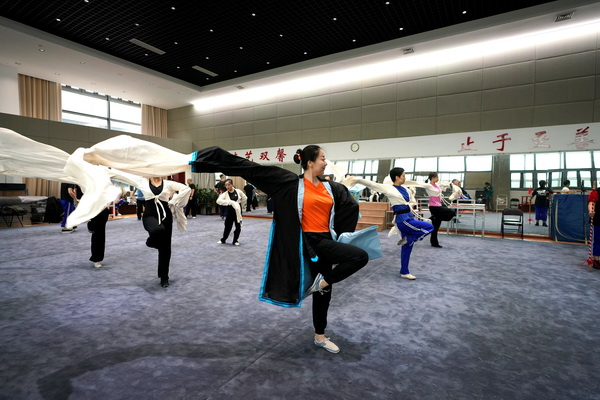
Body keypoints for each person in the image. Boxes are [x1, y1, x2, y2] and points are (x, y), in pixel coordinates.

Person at [192, 145, 369, 354]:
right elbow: (251, 169)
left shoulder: (331, 188)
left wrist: (343, 233)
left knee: (325, 293)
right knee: (360, 257)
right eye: (322, 158)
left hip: (326, 240)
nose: (325, 162)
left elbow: (349, 206)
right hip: (309, 242)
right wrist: (208, 157)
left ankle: (320, 335)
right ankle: (321, 283)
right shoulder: (290, 183)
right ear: (309, 162)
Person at [348, 169, 433, 279]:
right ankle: (410, 238)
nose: (405, 178)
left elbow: (410, 201)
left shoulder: (405, 189)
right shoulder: (389, 188)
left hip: (409, 217)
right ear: (397, 177)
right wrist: (357, 179)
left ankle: (404, 272)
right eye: (403, 176)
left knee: (407, 247)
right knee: (429, 227)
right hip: (403, 220)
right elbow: (372, 184)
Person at [141, 176, 190, 287]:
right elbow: (124, 176)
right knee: (157, 230)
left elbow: (186, 189)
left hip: (166, 216)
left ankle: (164, 277)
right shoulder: (142, 182)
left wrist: (174, 201)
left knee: (166, 247)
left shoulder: (168, 184)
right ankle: (150, 242)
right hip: (150, 215)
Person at [419, 172, 455, 248]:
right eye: (437, 177)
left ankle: (434, 243)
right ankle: (433, 217)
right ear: (433, 178)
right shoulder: (428, 185)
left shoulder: (437, 185)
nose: (438, 178)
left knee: (436, 227)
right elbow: (418, 184)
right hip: (434, 206)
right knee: (451, 212)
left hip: (439, 205)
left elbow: (443, 187)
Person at [217, 179, 247, 245]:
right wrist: (229, 202)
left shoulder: (238, 191)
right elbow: (218, 201)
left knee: (238, 227)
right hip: (230, 211)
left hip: (238, 211)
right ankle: (223, 239)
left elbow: (244, 198)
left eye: (229, 185)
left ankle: (235, 240)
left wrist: (241, 205)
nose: (227, 187)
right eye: (226, 185)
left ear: (232, 184)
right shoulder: (225, 194)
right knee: (227, 226)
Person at [587, 187, 600, 269]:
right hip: (599, 219)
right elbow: (591, 202)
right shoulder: (596, 192)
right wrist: (591, 210)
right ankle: (596, 259)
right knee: (598, 240)